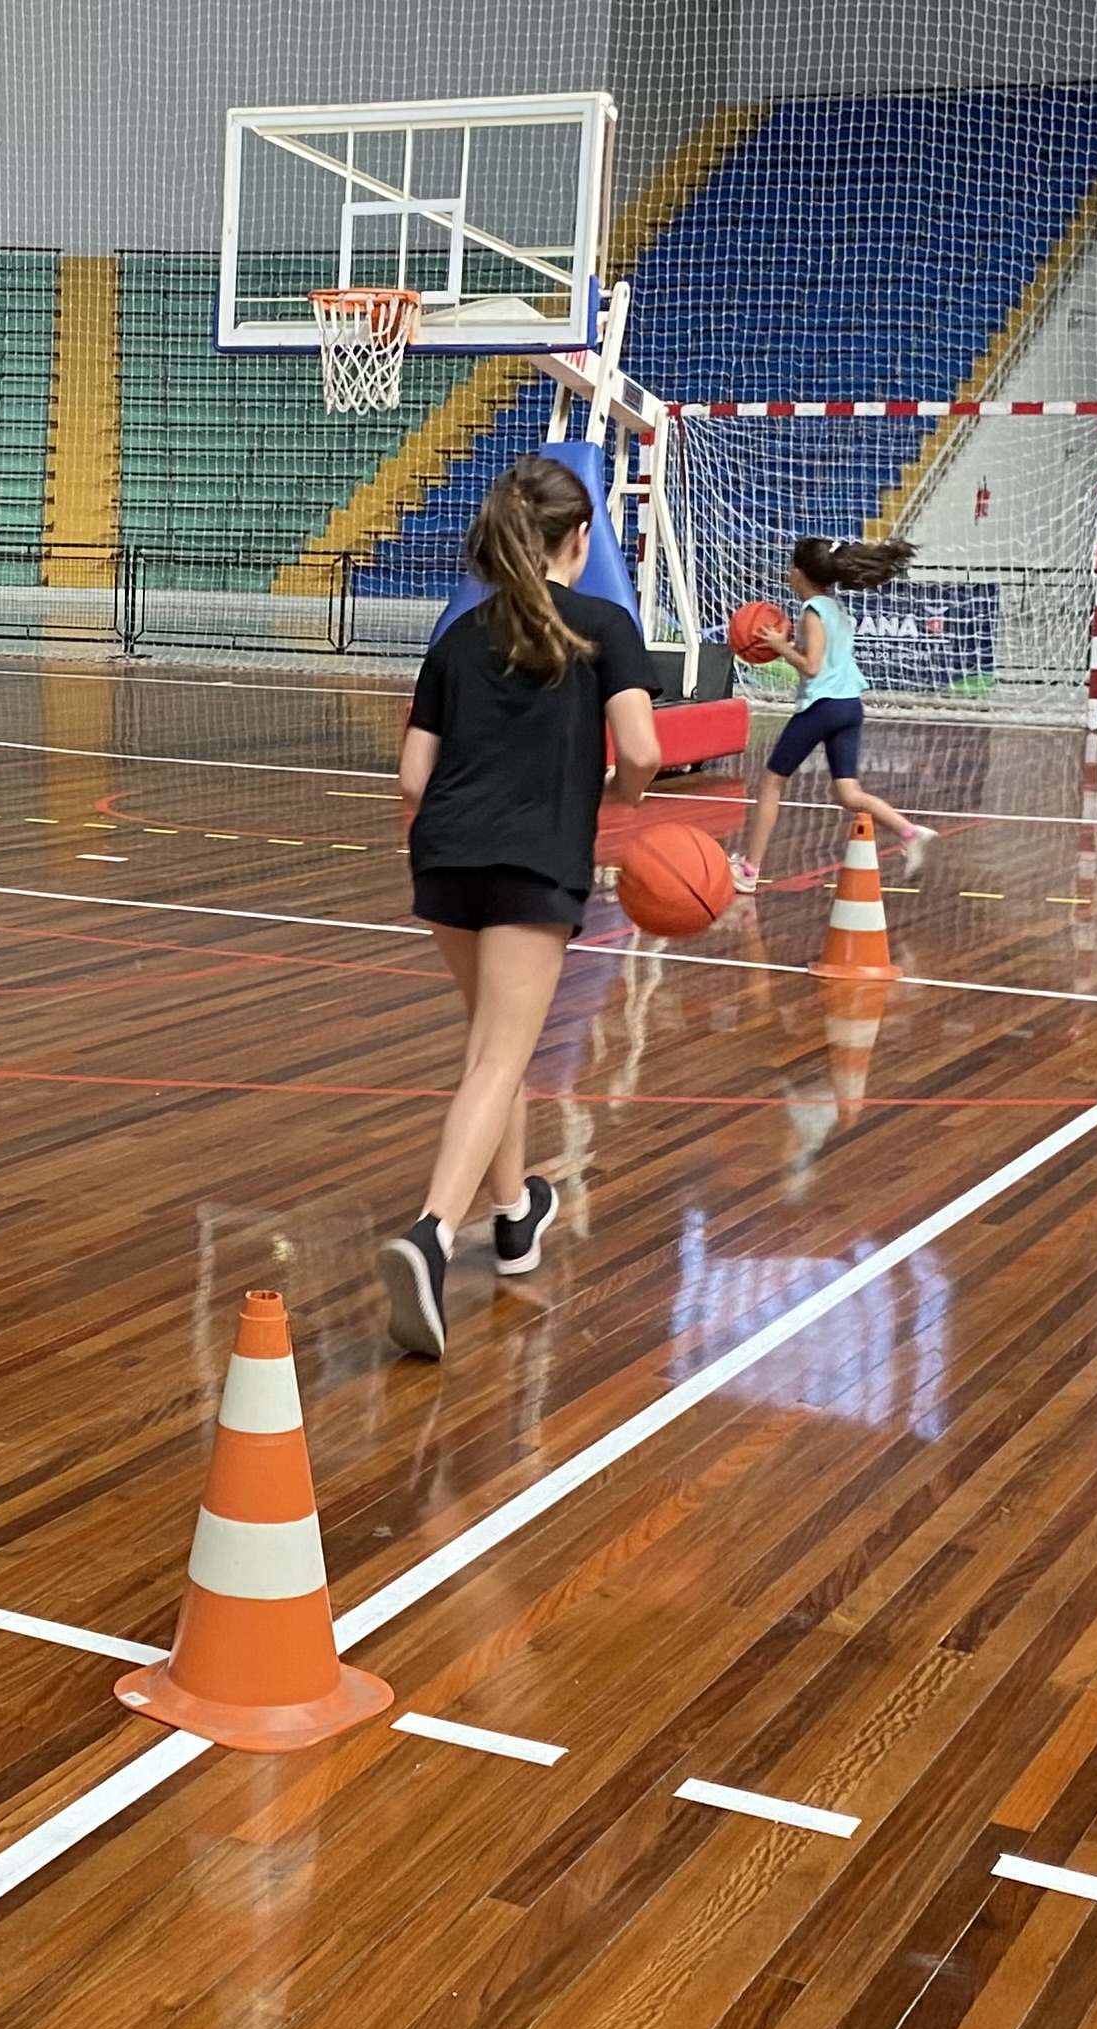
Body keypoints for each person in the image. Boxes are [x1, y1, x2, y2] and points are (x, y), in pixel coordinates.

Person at [377, 457, 662, 1361]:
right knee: (500, 1056)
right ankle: (429, 1234)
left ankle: (513, 1217)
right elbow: (645, 751)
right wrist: (613, 803)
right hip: (535, 857)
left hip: (445, 857)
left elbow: (412, 776)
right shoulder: (606, 624)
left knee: (489, 1049)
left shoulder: (457, 640)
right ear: (581, 539)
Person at [728, 535, 934, 893]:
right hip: (849, 706)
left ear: (797, 574)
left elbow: (811, 666)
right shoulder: (835, 607)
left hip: (823, 707)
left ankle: (748, 871)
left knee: (771, 783)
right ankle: (910, 832)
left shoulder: (813, 611)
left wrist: (780, 648)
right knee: (848, 793)